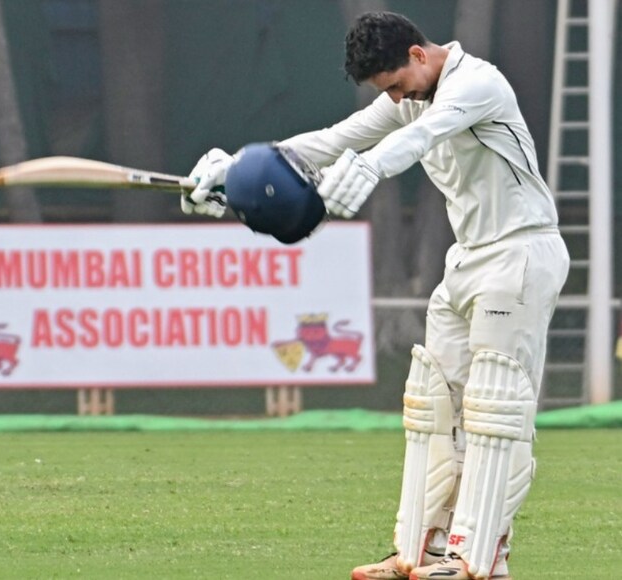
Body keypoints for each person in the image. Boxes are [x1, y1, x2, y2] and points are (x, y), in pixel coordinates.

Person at [180, 11, 569, 580]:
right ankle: (420, 551)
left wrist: (369, 167)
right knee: (433, 403)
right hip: (467, 258)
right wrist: (239, 168)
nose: (394, 99)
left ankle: (478, 559)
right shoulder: (407, 96)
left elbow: (420, 137)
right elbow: (334, 140)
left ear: (417, 54)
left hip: (521, 253)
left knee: (495, 406)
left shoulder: (477, 83)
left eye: (394, 84)